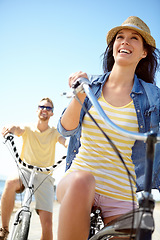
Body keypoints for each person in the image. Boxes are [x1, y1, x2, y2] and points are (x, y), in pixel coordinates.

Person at [56, 16, 160, 240]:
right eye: (120, 37)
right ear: (112, 47)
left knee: (141, 231)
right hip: (78, 183)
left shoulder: (153, 96)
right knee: (83, 180)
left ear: (144, 52)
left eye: (134, 38)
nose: (125, 42)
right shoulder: (89, 84)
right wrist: (79, 95)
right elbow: (65, 129)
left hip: (122, 192)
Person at [0, 97, 67, 240]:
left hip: (45, 175)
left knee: (48, 225)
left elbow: (64, 141)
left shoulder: (55, 132)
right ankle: (4, 229)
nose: (45, 110)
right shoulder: (28, 128)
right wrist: (10, 128)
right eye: (42, 107)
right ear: (37, 110)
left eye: (49, 108)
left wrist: (70, 146)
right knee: (10, 182)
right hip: (25, 170)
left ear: (52, 114)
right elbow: (17, 129)